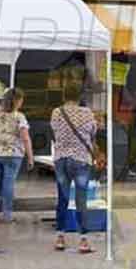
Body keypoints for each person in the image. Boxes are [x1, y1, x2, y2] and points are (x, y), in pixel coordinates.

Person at [50, 90, 98, 254]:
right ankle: (83, 240)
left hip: (61, 159)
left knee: (62, 199)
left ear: (64, 96)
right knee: (81, 199)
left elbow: (54, 133)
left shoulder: (56, 112)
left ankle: (60, 238)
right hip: (81, 160)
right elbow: (93, 133)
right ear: (80, 98)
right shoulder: (87, 113)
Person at [0, 88, 34, 223]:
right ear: (17, 101)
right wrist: (30, 157)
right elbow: (25, 138)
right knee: (8, 184)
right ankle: (7, 214)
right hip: (13, 155)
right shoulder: (19, 117)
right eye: (21, 100)